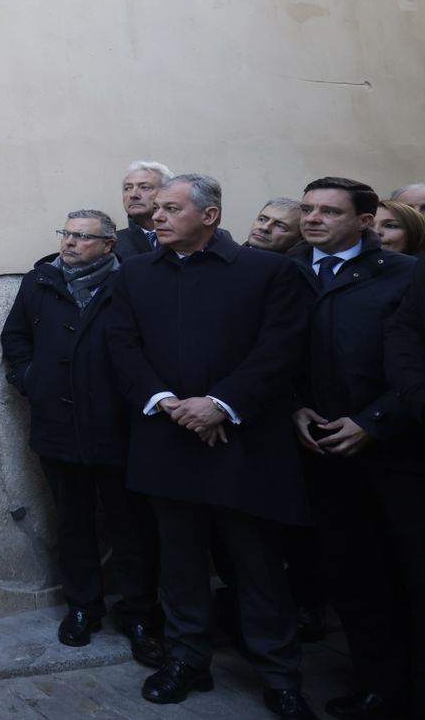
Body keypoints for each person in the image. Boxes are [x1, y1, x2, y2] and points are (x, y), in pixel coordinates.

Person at [105, 175, 316, 719]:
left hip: (245, 445)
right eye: (156, 208)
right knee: (179, 563)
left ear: (211, 215)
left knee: (258, 567)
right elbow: (121, 346)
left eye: (172, 208)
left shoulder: (269, 272)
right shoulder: (133, 274)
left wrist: (221, 404)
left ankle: (279, 675)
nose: (157, 216)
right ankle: (187, 659)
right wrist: (166, 401)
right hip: (166, 439)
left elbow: (281, 349)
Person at [0, 210, 162, 667]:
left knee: (130, 525)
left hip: (118, 427)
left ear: (108, 245)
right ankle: (82, 608)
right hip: (58, 424)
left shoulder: (131, 281)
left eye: (82, 237)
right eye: (66, 234)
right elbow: (15, 337)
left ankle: (139, 615)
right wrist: (32, 379)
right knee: (72, 522)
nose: (70, 243)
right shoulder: (40, 281)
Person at [288, 178, 422, 719]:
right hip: (326, 456)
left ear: (365, 221)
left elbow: (414, 363)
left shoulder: (405, 275)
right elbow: (278, 353)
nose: (312, 219)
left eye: (328, 211)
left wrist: (374, 422)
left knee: (410, 575)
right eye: (307, 208)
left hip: (399, 455)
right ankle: (377, 687)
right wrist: (293, 406)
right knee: (354, 577)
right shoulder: (289, 273)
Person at [114, 162, 175, 260]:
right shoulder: (113, 243)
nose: (133, 195)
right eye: (127, 188)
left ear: (167, 192)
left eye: (145, 187)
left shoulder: (187, 238)